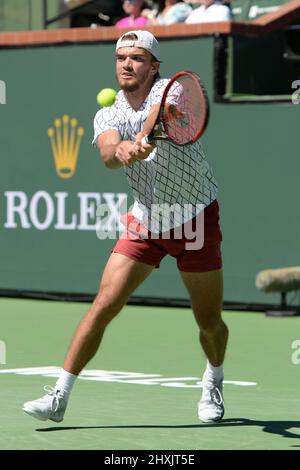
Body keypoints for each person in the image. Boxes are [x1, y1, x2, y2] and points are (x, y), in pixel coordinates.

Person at [22, 30, 228, 424]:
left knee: (208, 322)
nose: (127, 65)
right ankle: (59, 395)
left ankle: (213, 378)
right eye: (121, 58)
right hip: (147, 220)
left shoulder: (172, 90)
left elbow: (158, 114)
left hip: (195, 218)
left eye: (137, 58)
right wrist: (122, 149)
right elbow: (107, 153)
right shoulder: (107, 112)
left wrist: (143, 134)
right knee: (104, 304)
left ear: (154, 66)